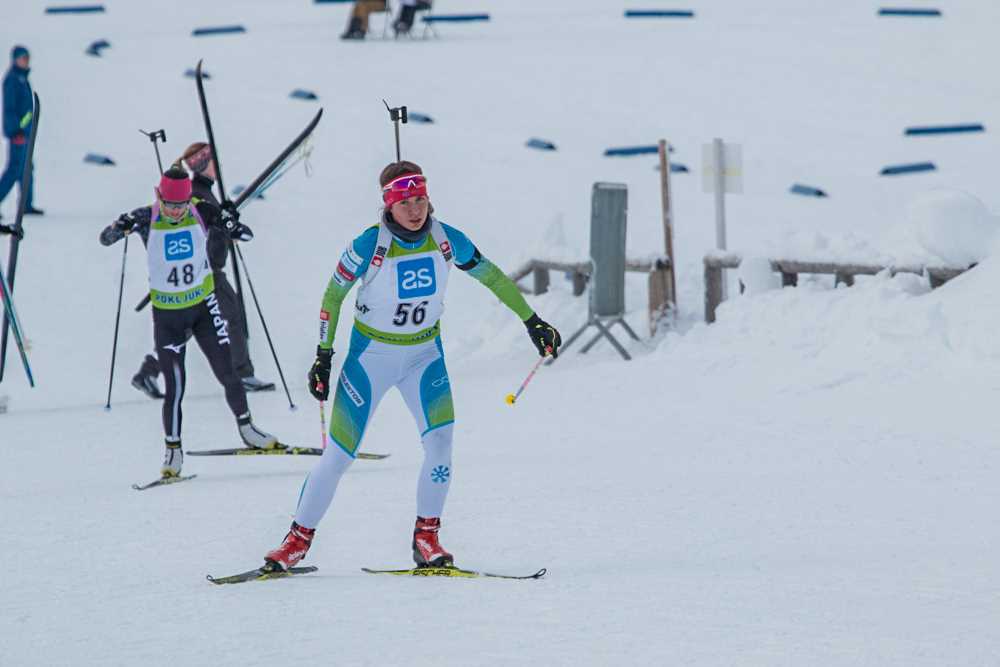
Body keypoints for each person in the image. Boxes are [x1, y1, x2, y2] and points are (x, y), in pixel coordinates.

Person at [263, 160, 562, 571]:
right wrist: (323, 355)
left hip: (424, 357)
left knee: (440, 446)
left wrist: (533, 321)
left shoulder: (445, 238)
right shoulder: (369, 244)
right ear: (388, 204)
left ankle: (427, 538)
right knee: (339, 456)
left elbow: (492, 276)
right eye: (405, 202)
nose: (415, 209)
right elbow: (333, 296)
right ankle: (296, 541)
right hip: (371, 359)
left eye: (420, 199)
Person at [99, 167, 282, 479]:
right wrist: (120, 226)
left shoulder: (201, 211)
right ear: (159, 196)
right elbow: (105, 239)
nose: (175, 211)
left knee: (228, 371)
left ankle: (248, 428)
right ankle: (173, 451)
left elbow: (245, 234)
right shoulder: (145, 217)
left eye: (181, 205)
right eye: (170, 205)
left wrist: (229, 223)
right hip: (168, 317)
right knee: (175, 386)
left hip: (203, 309)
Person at [131, 142, 274, 399]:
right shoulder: (197, 193)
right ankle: (243, 374)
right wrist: (225, 221)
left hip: (205, 270)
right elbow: (203, 228)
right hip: (206, 271)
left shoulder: (203, 191)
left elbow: (215, 223)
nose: (217, 166)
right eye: (213, 161)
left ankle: (148, 371)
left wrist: (227, 216)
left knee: (191, 327)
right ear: (202, 164)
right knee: (232, 317)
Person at [0, 45, 41, 219]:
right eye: (22, 58)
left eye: (27, 58)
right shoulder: (12, 80)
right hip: (18, 133)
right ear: (15, 59)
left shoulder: (22, 78)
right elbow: (9, 109)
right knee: (14, 170)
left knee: (27, 168)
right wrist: (16, 130)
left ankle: (26, 205)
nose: (25, 61)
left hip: (25, 132)